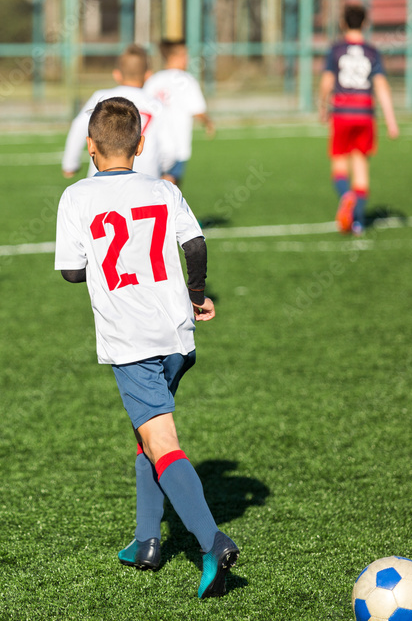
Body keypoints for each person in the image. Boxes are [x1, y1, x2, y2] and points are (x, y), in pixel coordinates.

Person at [55, 97, 239, 599]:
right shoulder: (164, 188)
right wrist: (197, 296)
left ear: (91, 147)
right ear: (140, 145)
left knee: (162, 442)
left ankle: (212, 542)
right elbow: (195, 244)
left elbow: (72, 272)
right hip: (178, 331)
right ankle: (146, 540)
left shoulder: (75, 198)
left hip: (131, 339)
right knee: (146, 435)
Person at [319, 4, 398, 236]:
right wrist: (391, 120)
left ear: (343, 23)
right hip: (365, 113)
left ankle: (347, 196)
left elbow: (326, 81)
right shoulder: (372, 52)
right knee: (361, 167)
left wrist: (323, 106)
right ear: (365, 24)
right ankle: (359, 222)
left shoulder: (336, 50)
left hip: (342, 113)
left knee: (340, 165)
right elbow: (381, 86)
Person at [62, 45, 174, 180]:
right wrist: (162, 168)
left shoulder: (101, 98)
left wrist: (70, 164)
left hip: (103, 179)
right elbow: (170, 151)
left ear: (117, 74)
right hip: (146, 180)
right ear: (148, 75)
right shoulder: (156, 106)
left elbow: (78, 128)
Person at [142, 39, 214, 185]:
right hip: (177, 145)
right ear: (174, 57)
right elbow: (198, 110)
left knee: (153, 186)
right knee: (170, 190)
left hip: (153, 143)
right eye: (184, 55)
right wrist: (208, 123)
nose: (187, 59)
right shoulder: (187, 80)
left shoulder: (154, 80)